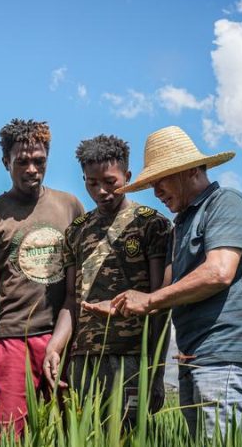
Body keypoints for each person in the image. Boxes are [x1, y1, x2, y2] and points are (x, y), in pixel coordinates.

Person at [83, 126, 242, 443]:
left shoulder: (225, 204)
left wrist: (148, 300)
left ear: (190, 171)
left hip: (225, 357)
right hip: (195, 357)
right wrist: (121, 304)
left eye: (161, 180)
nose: (156, 192)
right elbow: (163, 293)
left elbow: (219, 272)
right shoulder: (182, 225)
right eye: (152, 184)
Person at [42, 134, 170, 424]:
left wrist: (156, 370)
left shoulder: (151, 224)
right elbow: (71, 300)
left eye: (110, 182)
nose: (101, 191)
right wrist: (55, 346)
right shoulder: (76, 231)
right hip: (83, 359)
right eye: (92, 183)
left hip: (132, 358)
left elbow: (160, 305)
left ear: (127, 176)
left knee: (128, 434)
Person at [0, 119, 84, 436]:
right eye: (22, 161)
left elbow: (78, 288)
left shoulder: (70, 207)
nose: (32, 169)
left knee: (69, 434)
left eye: (39, 161)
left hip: (63, 339)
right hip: (12, 341)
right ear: (5, 162)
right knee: (9, 435)